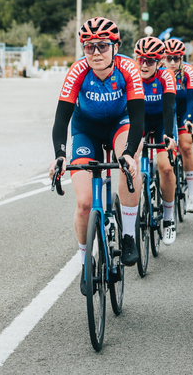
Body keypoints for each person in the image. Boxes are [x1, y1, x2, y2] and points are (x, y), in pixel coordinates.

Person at [49, 17, 146, 295]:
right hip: (86, 131)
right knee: (83, 204)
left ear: (115, 46)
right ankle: (85, 263)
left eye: (102, 46)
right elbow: (61, 120)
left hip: (121, 124)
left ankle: (128, 235)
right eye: (89, 47)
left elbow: (138, 118)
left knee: (129, 166)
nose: (95, 53)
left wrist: (128, 153)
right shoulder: (78, 70)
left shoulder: (128, 68)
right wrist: (59, 154)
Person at [134, 36, 177, 245]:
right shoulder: (131, 75)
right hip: (139, 121)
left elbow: (169, 108)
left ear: (159, 62)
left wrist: (169, 135)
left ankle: (169, 218)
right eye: (140, 59)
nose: (143, 65)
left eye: (150, 61)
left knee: (166, 168)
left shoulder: (166, 76)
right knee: (130, 164)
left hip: (162, 122)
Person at [163, 39, 193, 213]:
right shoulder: (159, 72)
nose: (171, 62)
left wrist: (189, 121)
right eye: (168, 58)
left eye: (176, 58)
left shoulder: (189, 72)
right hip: (165, 111)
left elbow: (191, 101)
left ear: (181, 58)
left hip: (184, 111)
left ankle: (191, 194)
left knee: (185, 145)